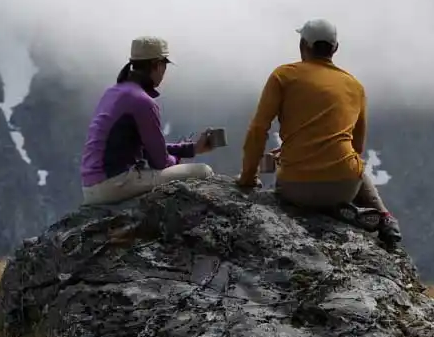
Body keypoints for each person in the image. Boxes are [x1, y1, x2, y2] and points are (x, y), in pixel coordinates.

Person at [237, 18, 402, 247]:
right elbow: (357, 148)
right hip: (345, 185)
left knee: (298, 195)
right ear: (335, 48)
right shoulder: (355, 86)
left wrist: (248, 178)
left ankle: (332, 211)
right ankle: (383, 216)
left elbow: (258, 129)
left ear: (303, 45)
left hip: (296, 187)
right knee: (353, 163)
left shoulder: (283, 76)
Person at [80, 36, 217, 205]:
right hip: (113, 184)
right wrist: (177, 160)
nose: (164, 71)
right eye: (164, 65)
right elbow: (160, 161)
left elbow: (143, 148)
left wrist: (191, 149)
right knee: (204, 171)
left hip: (91, 187)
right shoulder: (142, 101)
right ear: (156, 65)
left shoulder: (114, 92)